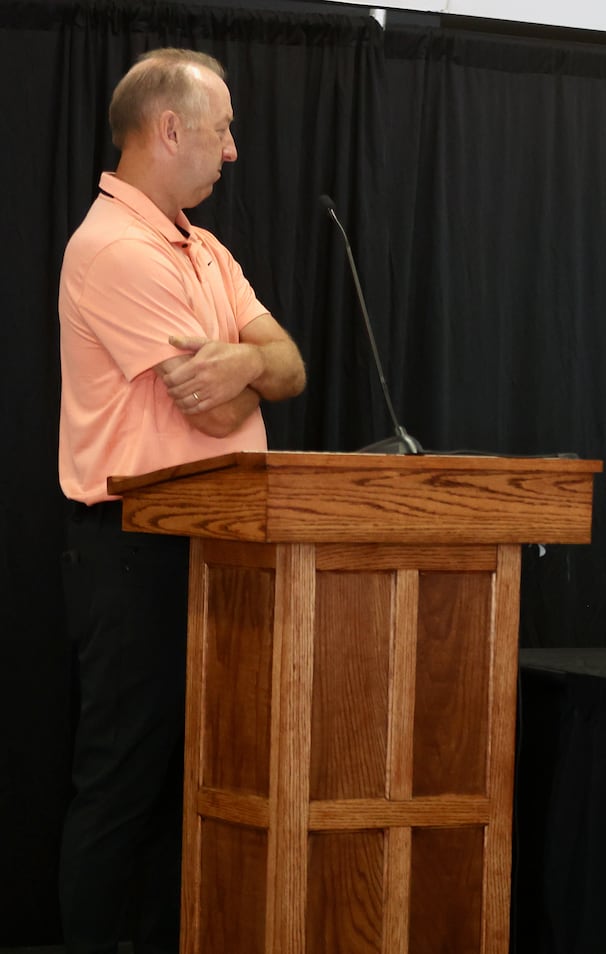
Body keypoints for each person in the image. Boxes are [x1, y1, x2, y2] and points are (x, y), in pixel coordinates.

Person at [57, 49, 306, 954]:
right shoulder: (114, 248)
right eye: (222, 127)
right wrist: (252, 372)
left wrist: (248, 364)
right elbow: (215, 410)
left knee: (195, 783)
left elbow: (288, 364)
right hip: (133, 552)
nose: (233, 150)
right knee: (125, 787)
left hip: (214, 549)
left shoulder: (203, 248)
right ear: (170, 129)